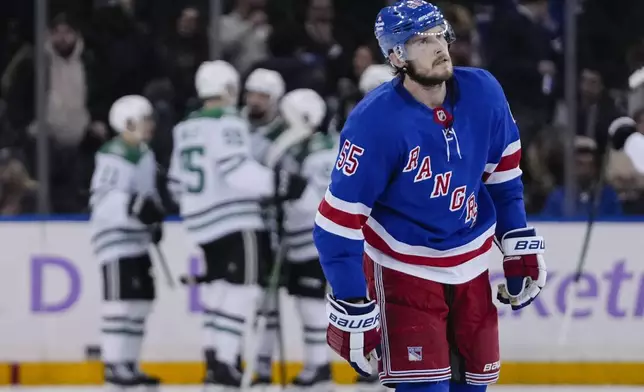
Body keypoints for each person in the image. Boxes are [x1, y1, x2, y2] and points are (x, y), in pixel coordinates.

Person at [313, 2, 547, 392]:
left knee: (474, 386)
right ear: (396, 55)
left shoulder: (483, 92)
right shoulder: (374, 123)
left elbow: (503, 178)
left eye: (440, 34)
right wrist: (353, 300)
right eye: (422, 40)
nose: (439, 46)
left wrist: (515, 240)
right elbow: (336, 225)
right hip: (404, 269)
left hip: (471, 264)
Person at [167, 60, 307, 389]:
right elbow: (238, 171)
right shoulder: (228, 121)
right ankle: (227, 360)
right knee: (244, 289)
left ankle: (214, 356)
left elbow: (175, 182)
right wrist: (280, 184)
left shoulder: (184, 126)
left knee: (218, 289)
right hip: (235, 219)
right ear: (229, 89)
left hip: (200, 222)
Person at [250, 88, 335, 389]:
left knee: (310, 302)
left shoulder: (323, 149)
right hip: (294, 239)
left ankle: (319, 365)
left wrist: (292, 197)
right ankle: (300, 365)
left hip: (314, 239)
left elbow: (325, 198)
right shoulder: (296, 149)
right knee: (300, 301)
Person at [89, 95, 164, 389]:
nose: (150, 125)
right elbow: (102, 198)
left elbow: (147, 196)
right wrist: (133, 206)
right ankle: (114, 365)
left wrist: (154, 219)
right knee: (119, 304)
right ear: (128, 122)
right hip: (116, 241)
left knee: (140, 303)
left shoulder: (144, 153)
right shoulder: (115, 153)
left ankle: (129, 364)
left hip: (137, 241)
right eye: (145, 119)